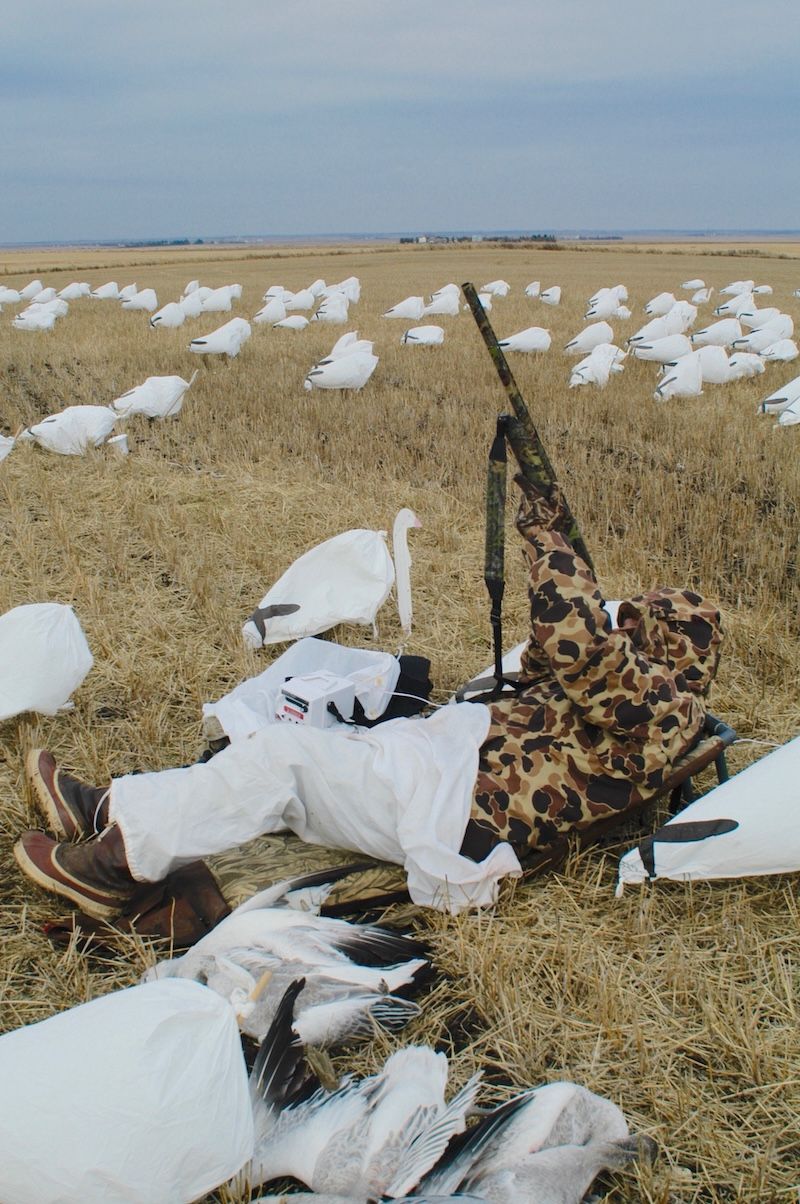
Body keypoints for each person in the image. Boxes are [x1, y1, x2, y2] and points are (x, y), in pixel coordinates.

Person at [15, 478, 723, 916]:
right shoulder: (632, 697)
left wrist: (551, 541)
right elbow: (554, 651)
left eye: (637, 623)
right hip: (438, 768)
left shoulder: (663, 710)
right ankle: (112, 807)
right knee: (276, 756)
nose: (622, 626)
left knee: (283, 761)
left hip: (453, 808)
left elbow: (579, 644)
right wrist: (556, 565)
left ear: (668, 647)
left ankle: (115, 867)